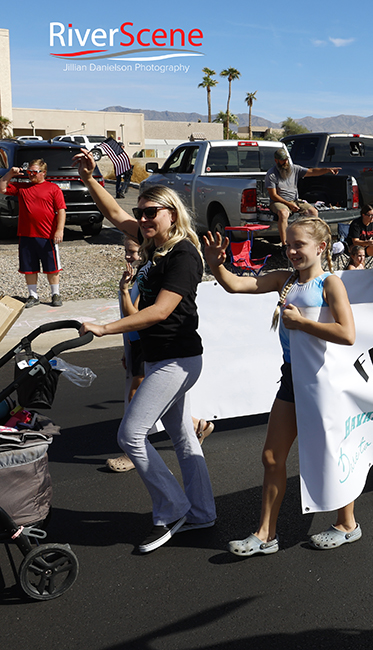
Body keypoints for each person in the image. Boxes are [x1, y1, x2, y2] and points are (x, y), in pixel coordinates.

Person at [73, 150, 216, 554]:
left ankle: (173, 510)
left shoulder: (185, 254)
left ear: (172, 213)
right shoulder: (155, 244)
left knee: (130, 435)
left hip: (178, 359)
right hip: (161, 358)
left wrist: (105, 327)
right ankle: (202, 513)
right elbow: (117, 215)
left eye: (152, 212)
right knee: (183, 436)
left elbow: (160, 311)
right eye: (143, 212)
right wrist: (89, 179)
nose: (144, 218)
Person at [201, 217, 359, 556]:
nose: (290, 251)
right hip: (292, 378)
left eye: (298, 245)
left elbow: (347, 334)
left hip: (324, 381)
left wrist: (303, 324)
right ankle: (265, 533)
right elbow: (235, 285)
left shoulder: (330, 284)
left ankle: (348, 524)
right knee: (272, 456)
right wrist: (216, 264)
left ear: (319, 247)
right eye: (287, 244)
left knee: (332, 455)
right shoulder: (284, 281)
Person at [106, 234, 215, 474]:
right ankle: (199, 426)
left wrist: (104, 329)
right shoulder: (140, 277)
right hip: (141, 345)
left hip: (160, 350)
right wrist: (124, 290)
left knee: (132, 425)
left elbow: (154, 314)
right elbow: (132, 314)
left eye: (133, 251)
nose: (129, 256)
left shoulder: (168, 266)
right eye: (126, 251)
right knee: (177, 424)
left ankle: (138, 459)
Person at [0, 159, 66, 307]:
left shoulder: (53, 189)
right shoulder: (22, 188)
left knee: (52, 267)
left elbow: (61, 210)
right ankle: (33, 295)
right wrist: (10, 173)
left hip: (47, 235)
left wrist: (59, 230)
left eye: (34, 172)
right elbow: (2, 188)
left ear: (43, 173)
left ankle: (55, 294)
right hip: (26, 235)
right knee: (29, 268)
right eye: (29, 172)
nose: (31, 175)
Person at [265, 148, 338, 243]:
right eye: (283, 160)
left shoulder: (295, 169)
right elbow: (273, 195)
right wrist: (289, 205)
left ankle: (311, 239)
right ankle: (285, 244)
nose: (285, 162)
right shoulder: (271, 174)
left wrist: (327, 170)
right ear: (276, 161)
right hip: (279, 201)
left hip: (295, 200)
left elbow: (312, 172)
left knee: (313, 212)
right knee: (283, 213)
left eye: (286, 159)